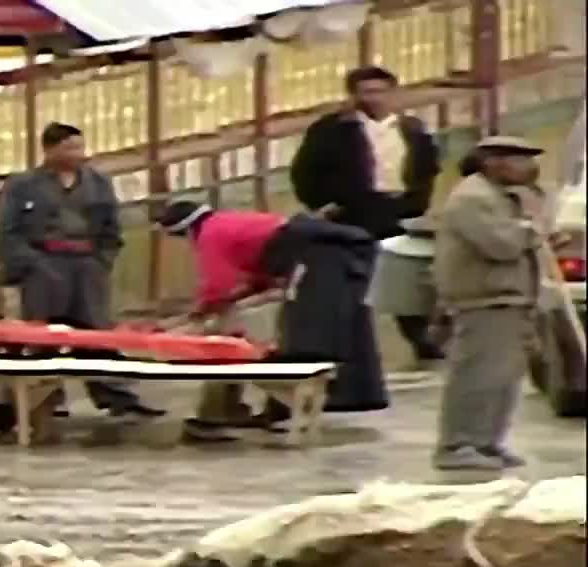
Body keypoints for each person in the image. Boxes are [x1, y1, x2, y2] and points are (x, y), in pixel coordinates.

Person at [0, 122, 162, 433]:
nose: (77, 154)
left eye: (79, 147)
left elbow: (111, 225)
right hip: (44, 262)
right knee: (43, 335)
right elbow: (8, 230)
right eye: (69, 148)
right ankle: (45, 398)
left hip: (87, 262)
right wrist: (29, 263)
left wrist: (102, 260)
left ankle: (115, 395)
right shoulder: (23, 185)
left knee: (96, 332)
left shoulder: (97, 182)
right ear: (50, 149)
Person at [291, 65, 444, 366]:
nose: (374, 99)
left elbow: (427, 169)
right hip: (352, 213)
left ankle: (420, 338)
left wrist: (417, 203)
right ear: (354, 95)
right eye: (366, 92)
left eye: (380, 91)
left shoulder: (412, 129)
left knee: (405, 277)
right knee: (352, 281)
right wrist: (323, 204)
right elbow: (305, 171)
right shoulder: (333, 129)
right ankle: (349, 348)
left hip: (399, 211)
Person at [431, 135, 548, 471]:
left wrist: (535, 232)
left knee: (503, 378)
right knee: (477, 375)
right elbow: (502, 245)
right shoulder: (473, 197)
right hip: (484, 298)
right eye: (520, 160)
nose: (529, 168)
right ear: (494, 162)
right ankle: (458, 444)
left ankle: (487, 442)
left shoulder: (502, 197)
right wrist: (530, 229)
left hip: (510, 298)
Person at [152, 200, 293, 437]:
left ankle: (217, 414)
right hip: (308, 270)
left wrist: (193, 318)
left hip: (304, 273)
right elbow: (254, 281)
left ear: (185, 229)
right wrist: (196, 314)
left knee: (224, 339)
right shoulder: (228, 223)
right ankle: (270, 410)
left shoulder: (210, 234)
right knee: (257, 334)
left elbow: (217, 288)